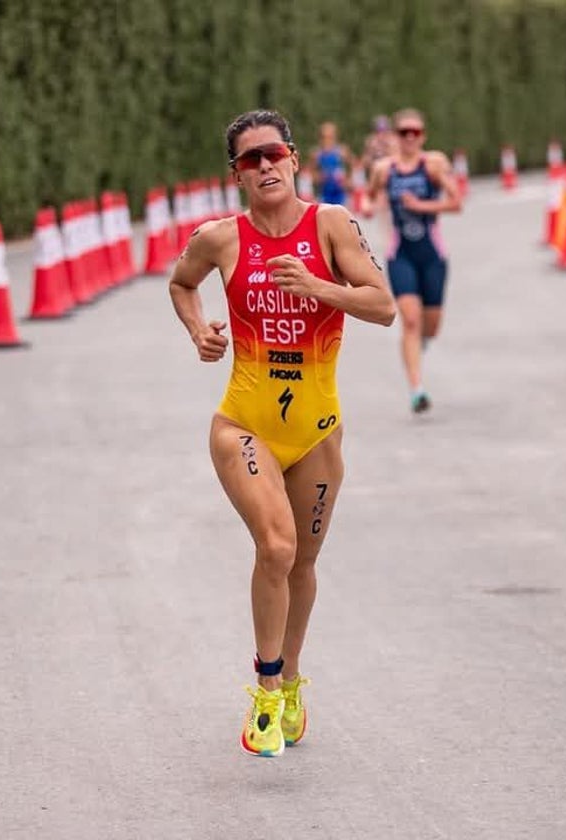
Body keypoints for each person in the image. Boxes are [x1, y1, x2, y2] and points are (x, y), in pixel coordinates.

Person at [167, 109, 395, 757]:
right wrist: (199, 330)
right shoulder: (219, 238)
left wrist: (321, 287)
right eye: (248, 160)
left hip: (319, 431)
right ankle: (267, 689)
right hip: (245, 423)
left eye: (272, 154)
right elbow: (181, 283)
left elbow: (382, 306)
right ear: (235, 175)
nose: (263, 167)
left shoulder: (331, 225)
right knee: (275, 546)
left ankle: (292, 678)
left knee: (303, 563)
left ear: (293, 158)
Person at [362, 108, 463, 413]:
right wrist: (369, 206)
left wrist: (422, 204)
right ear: (395, 135)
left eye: (415, 132)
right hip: (400, 254)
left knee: (431, 326)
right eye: (403, 132)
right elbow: (369, 194)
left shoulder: (433, 165)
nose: (409, 138)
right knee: (410, 320)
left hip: (432, 254)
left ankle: (424, 342)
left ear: (423, 136)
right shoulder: (384, 169)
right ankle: (417, 389)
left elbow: (456, 202)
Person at [309, 121, 354, 207]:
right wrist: (319, 177)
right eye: (324, 137)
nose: (327, 140)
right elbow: (311, 172)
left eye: (330, 137)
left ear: (335, 137)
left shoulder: (341, 151)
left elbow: (353, 165)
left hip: (341, 194)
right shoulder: (317, 153)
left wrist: (348, 180)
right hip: (324, 194)